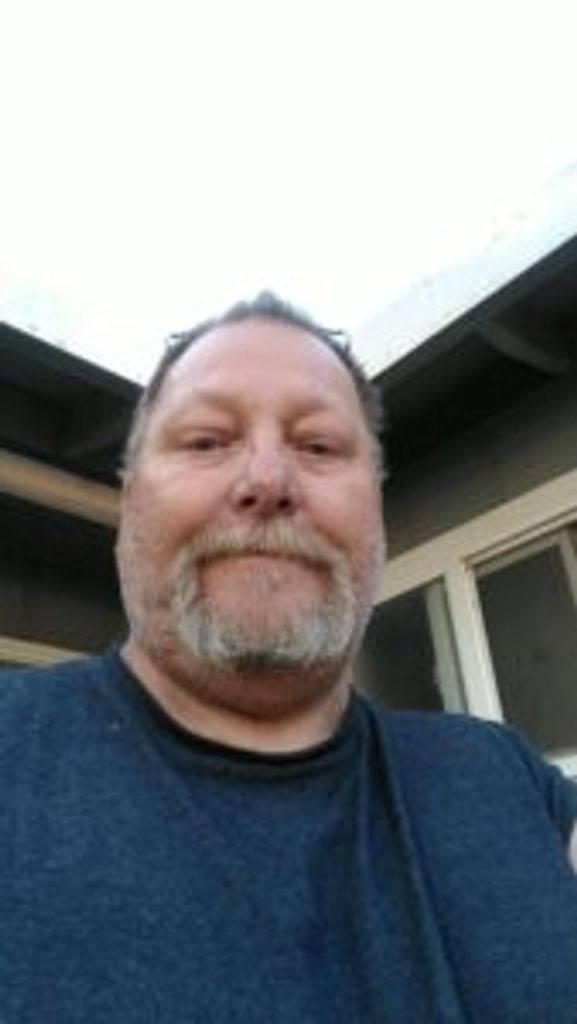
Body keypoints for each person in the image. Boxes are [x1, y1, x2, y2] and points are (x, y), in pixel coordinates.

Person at [0, 292, 576, 1023]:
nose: (267, 481)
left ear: (374, 509)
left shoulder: (502, 777)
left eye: (319, 446)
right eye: (206, 441)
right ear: (130, 499)